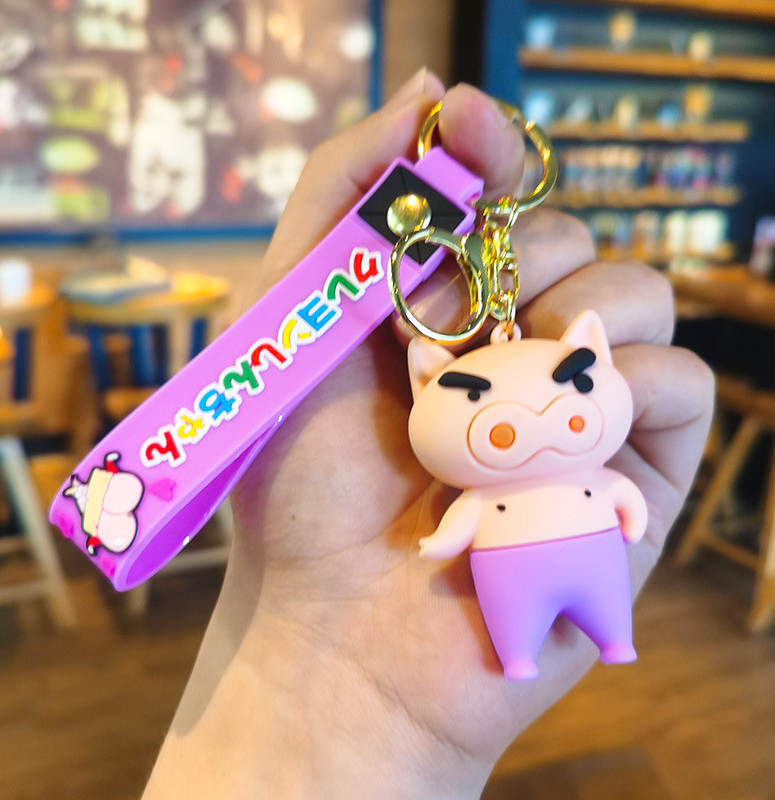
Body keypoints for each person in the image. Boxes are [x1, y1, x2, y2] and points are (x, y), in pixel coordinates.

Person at [141, 71, 714, 799]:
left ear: (591, 355)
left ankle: (613, 636)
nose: (531, 428)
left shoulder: (591, 469)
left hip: (553, 548)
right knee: (519, 627)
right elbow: (457, 527)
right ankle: (535, 650)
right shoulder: (464, 477)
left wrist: (622, 508)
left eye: (569, 405)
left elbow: (612, 499)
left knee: (598, 615)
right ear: (426, 383)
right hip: (510, 562)